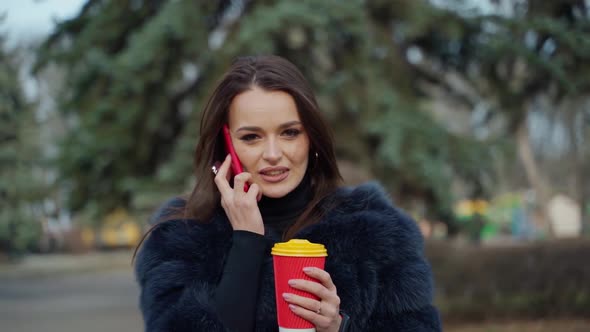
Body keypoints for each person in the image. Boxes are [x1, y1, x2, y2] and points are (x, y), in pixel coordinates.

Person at [134, 55, 441, 332]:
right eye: (252, 137)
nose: (273, 153)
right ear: (225, 145)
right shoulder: (182, 238)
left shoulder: (375, 231)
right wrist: (246, 241)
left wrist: (339, 329)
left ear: (311, 138)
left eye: (289, 132)